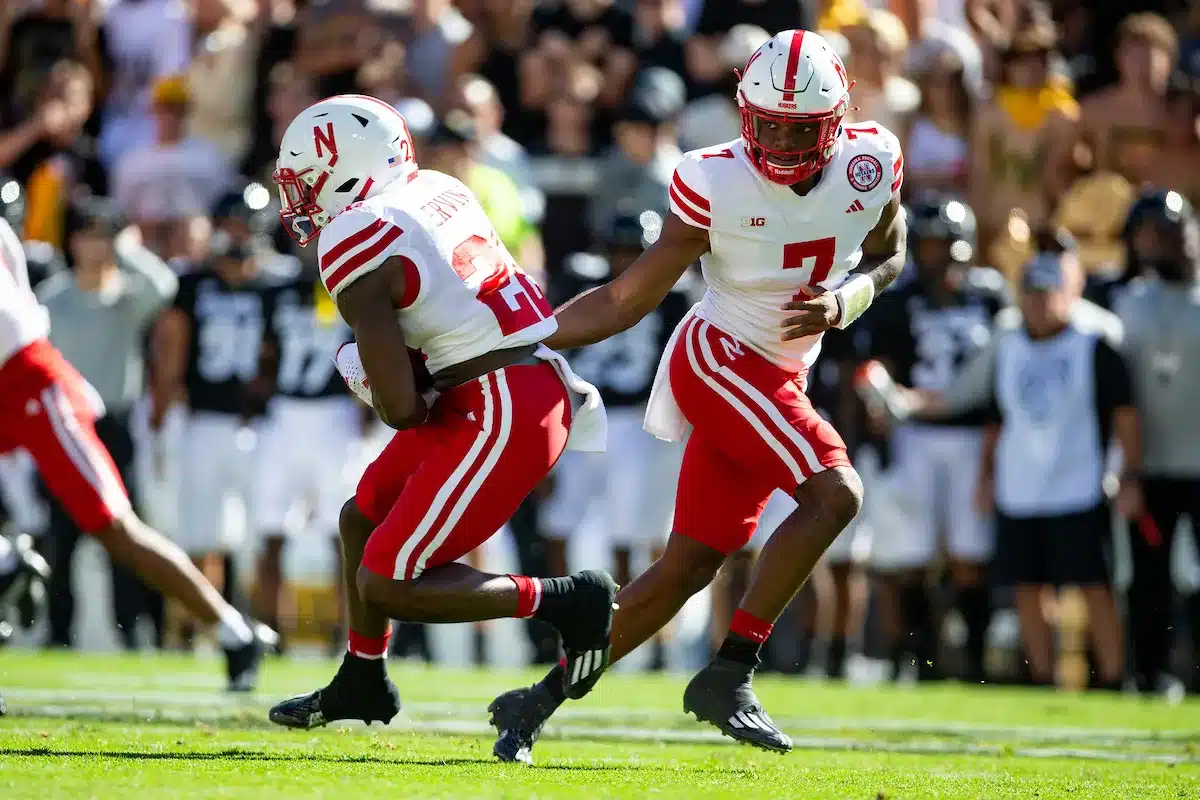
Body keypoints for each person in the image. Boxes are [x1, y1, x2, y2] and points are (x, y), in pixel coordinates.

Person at [489, 30, 906, 760]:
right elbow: (625, 299)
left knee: (684, 570)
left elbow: (889, 253)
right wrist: (527, 335)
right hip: (719, 357)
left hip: (781, 371)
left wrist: (846, 303)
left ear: (835, 122)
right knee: (836, 492)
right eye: (765, 123)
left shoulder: (872, 163)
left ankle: (534, 703)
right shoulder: (713, 179)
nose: (777, 140)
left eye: (797, 127)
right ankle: (731, 671)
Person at [264, 94, 616, 730]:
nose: (303, 199)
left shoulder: (354, 234)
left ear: (351, 171)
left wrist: (359, 369)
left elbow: (399, 408)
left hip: (499, 403)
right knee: (361, 519)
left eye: (310, 182)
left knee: (387, 580)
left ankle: (566, 599)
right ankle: (362, 678)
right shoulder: (436, 186)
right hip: (504, 384)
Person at [0, 215, 275, 691]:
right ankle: (7, 562)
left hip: (30, 384)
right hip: (17, 378)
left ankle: (235, 633)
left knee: (115, 527)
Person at [863, 231, 1137, 689]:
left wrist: (1128, 473)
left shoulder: (1095, 339)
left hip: (1080, 480)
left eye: (1047, 293)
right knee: (1029, 587)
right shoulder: (1007, 341)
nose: (1038, 303)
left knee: (1094, 585)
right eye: (1030, 293)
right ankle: (1043, 676)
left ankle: (1113, 677)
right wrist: (903, 403)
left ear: (1067, 293)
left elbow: (1126, 415)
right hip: (1022, 483)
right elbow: (976, 405)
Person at [859, 196, 1009, 682]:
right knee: (911, 557)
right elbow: (879, 361)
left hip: (971, 437)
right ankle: (919, 660)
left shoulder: (989, 296)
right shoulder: (900, 299)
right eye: (923, 246)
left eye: (941, 245)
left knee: (971, 558)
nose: (931, 256)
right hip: (916, 436)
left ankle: (973, 660)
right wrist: (877, 389)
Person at [35, 195, 174, 649]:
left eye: (104, 237)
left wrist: (128, 247)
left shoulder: (128, 296)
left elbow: (165, 284)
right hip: (66, 425)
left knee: (124, 535)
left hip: (115, 428)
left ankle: (132, 630)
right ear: (73, 241)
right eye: (88, 236)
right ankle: (58, 633)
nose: (96, 247)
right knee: (62, 536)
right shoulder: (53, 297)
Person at [150, 201, 282, 638]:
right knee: (197, 534)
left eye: (246, 227)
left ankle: (265, 626)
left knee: (261, 534)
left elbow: (276, 357)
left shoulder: (274, 285)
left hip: (260, 426)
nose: (239, 236)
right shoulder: (192, 284)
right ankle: (196, 630)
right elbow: (172, 354)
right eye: (231, 226)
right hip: (204, 420)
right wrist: (160, 414)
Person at [543, 210, 693, 594]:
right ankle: (559, 614)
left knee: (626, 531)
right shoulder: (582, 283)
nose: (624, 260)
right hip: (579, 414)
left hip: (634, 421)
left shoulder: (674, 297)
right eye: (618, 250)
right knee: (557, 522)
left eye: (633, 251)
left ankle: (621, 623)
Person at [1112, 190, 1200, 693]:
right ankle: (1150, 673)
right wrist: (1126, 469)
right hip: (1148, 467)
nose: (1152, 244)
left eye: (1161, 233)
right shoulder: (1124, 300)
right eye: (1143, 235)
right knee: (1150, 581)